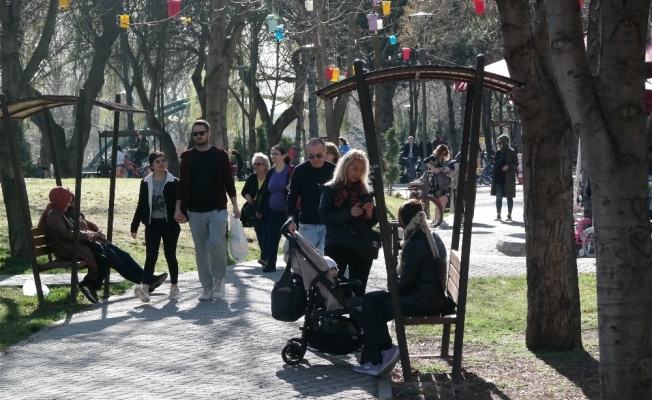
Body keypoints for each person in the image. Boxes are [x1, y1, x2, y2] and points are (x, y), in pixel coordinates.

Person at [353, 199, 450, 377]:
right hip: (431, 296)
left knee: (374, 307)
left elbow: (405, 284)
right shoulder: (430, 235)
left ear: (403, 221)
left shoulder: (415, 243)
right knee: (371, 300)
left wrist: (390, 288)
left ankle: (376, 358)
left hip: (423, 301)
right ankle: (381, 353)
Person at [174, 119, 240, 301]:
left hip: (217, 208)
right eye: (195, 134)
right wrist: (178, 208)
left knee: (216, 243)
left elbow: (228, 181)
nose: (199, 136)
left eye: (201, 133)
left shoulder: (220, 155)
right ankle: (207, 286)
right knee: (201, 249)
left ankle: (219, 280)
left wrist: (235, 205)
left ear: (208, 134)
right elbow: (182, 185)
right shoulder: (187, 157)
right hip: (195, 210)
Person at [319, 149, 378, 297]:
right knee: (334, 287)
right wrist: (348, 213)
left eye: (362, 170)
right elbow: (325, 217)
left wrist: (370, 213)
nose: (358, 173)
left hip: (361, 245)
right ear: (345, 167)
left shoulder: (365, 191)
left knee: (359, 287)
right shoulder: (331, 189)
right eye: (355, 168)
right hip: (337, 244)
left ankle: (357, 312)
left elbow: (372, 221)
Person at [131, 151, 182, 302]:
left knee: (170, 255)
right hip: (152, 224)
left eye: (163, 161)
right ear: (151, 165)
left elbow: (181, 202)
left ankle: (174, 287)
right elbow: (141, 204)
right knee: (151, 256)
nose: (161, 163)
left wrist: (183, 214)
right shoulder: (146, 182)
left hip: (170, 224)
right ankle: (146, 287)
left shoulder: (174, 182)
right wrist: (134, 225)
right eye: (157, 161)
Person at [286, 138, 336, 252]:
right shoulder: (300, 170)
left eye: (319, 155)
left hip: (329, 224)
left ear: (325, 151)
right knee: (307, 260)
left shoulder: (334, 170)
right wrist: (290, 219)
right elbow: (292, 197)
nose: (315, 159)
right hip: (307, 223)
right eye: (311, 156)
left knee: (326, 260)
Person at [256, 146, 292, 273]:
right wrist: (260, 209)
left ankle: (294, 264)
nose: (273, 156)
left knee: (292, 238)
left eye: (276, 153)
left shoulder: (291, 171)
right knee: (272, 237)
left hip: (288, 212)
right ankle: (271, 264)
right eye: (271, 154)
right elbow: (265, 192)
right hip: (272, 211)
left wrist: (291, 187)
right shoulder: (270, 172)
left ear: (284, 156)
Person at [242, 153, 270, 268]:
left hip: (267, 209)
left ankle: (267, 257)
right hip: (254, 208)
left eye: (258, 164)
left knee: (267, 233)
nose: (255, 166)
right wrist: (249, 199)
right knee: (260, 233)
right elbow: (244, 191)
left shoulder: (270, 177)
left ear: (265, 165)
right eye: (254, 164)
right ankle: (265, 257)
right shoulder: (252, 178)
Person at [491, 134, 518, 221]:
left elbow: (516, 164)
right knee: (499, 196)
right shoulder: (497, 152)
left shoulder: (512, 152)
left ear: (505, 143)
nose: (498, 145)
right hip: (498, 178)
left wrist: (508, 166)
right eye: (497, 143)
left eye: (500, 143)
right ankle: (498, 214)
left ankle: (509, 214)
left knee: (509, 196)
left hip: (508, 178)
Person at [424, 144, 453, 211]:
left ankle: (439, 216)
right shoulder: (434, 157)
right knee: (442, 200)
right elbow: (426, 161)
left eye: (445, 154)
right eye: (442, 153)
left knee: (440, 201)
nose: (443, 155)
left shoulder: (442, 159)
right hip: (435, 181)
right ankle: (439, 215)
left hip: (441, 182)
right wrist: (433, 169)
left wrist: (446, 169)